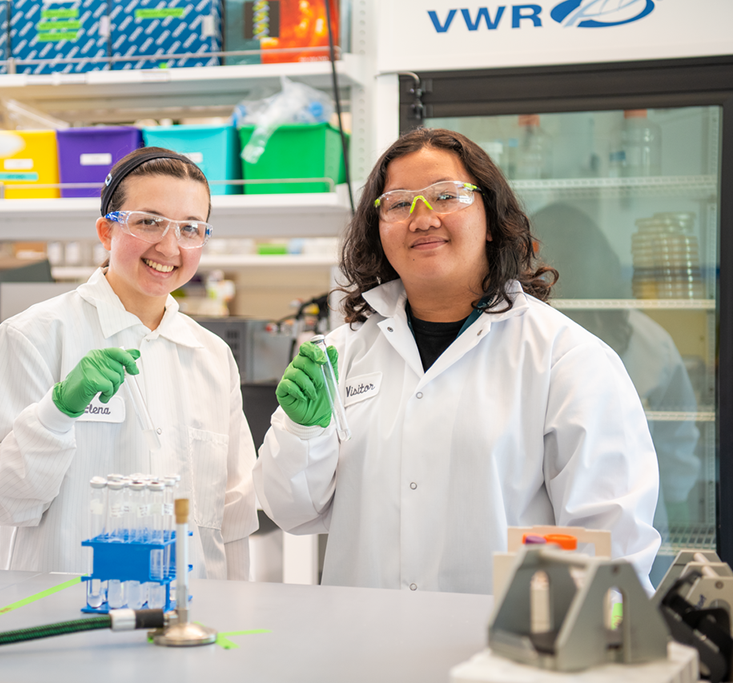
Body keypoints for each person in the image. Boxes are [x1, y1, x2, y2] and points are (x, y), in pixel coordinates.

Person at [253, 127, 661, 594]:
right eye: (399, 203)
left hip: (499, 656)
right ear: (378, 229)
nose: (422, 218)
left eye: (446, 196)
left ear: (491, 220)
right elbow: (291, 512)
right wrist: (303, 434)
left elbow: (608, 546)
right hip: (363, 650)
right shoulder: (340, 355)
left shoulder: (566, 359)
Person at [0, 147, 258, 579]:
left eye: (190, 228)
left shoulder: (211, 355)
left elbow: (233, 513)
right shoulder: (35, 334)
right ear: (106, 230)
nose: (170, 246)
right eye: (149, 222)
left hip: (186, 617)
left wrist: (231, 613)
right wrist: (55, 413)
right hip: (64, 612)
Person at [532, 203, 701, 551]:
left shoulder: (531, 342)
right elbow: (677, 440)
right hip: (635, 524)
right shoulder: (651, 339)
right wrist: (680, 505)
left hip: (584, 538)